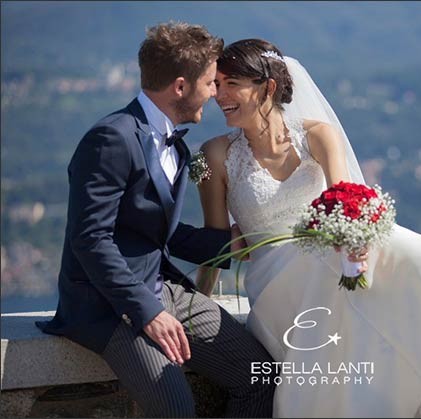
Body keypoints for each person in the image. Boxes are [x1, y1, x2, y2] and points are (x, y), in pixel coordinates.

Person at [195, 38, 421, 418]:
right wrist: (197, 303)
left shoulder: (318, 135)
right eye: (217, 85)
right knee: (326, 261)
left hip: (328, 262)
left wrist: (357, 241)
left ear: (267, 87)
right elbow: (213, 244)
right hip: (276, 285)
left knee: (384, 242)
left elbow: (345, 202)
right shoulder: (213, 155)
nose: (219, 95)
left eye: (231, 84)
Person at [37, 24, 276, 418]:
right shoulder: (112, 138)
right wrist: (147, 311)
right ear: (180, 87)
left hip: (163, 288)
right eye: (209, 83)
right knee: (176, 409)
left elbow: (154, 233)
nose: (216, 93)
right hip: (110, 304)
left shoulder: (177, 144)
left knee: (261, 376)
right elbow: (91, 239)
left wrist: (230, 246)